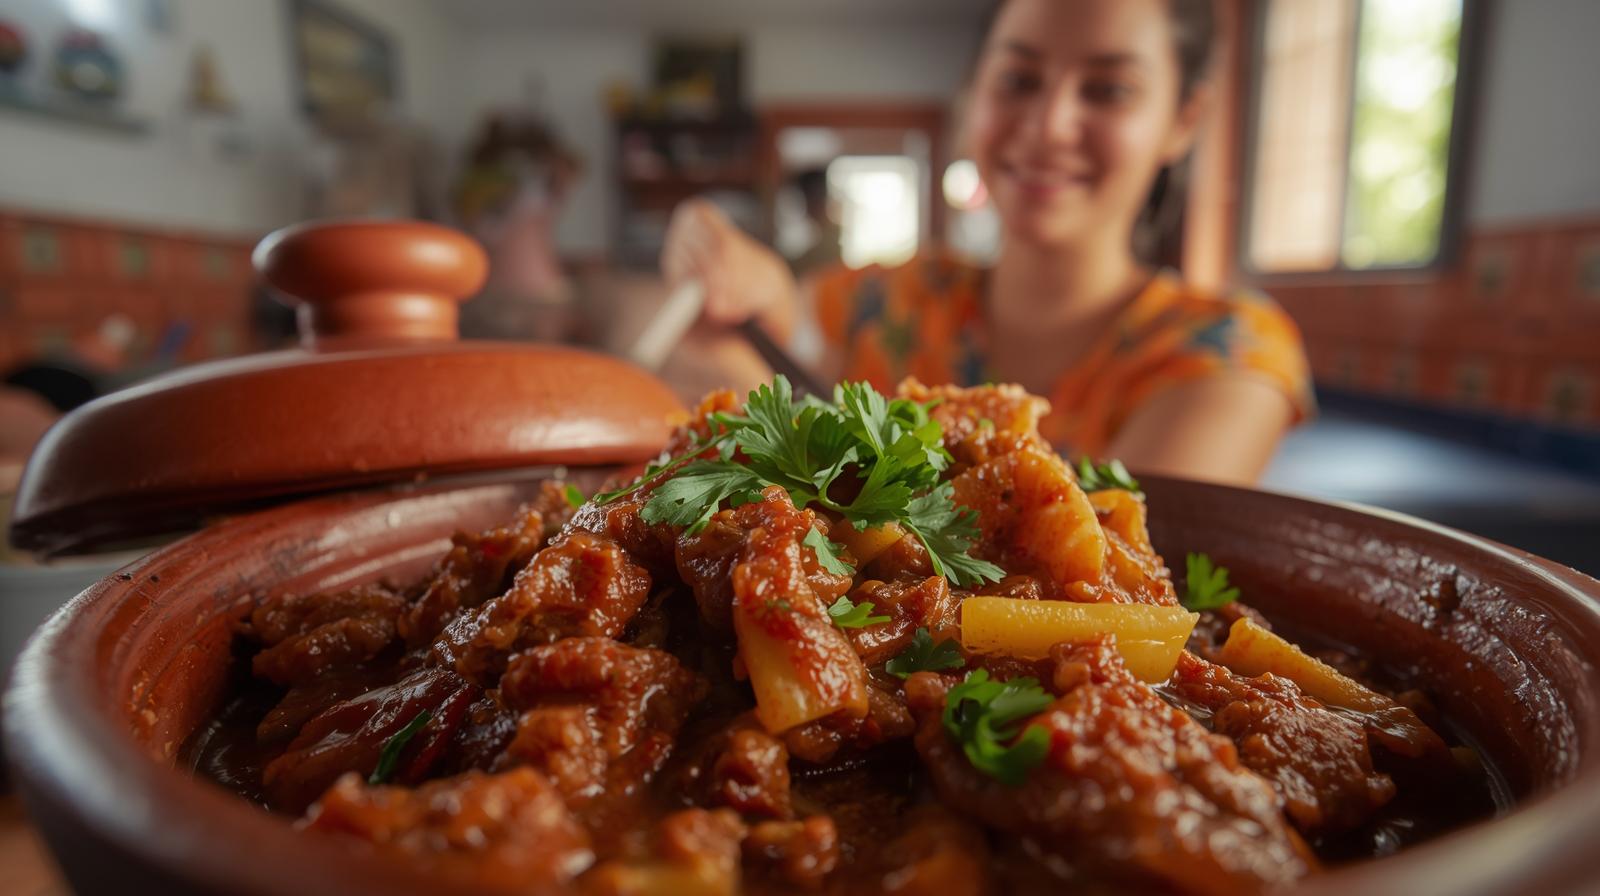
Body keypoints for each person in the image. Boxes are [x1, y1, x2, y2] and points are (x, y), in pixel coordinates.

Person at [659, 0, 1313, 485]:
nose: (1051, 125)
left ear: (1183, 120)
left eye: (1109, 90)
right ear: (974, 96)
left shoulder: (1230, 352)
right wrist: (740, 282)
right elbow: (783, 329)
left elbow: (1123, 578)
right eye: (1020, 79)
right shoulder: (898, 296)